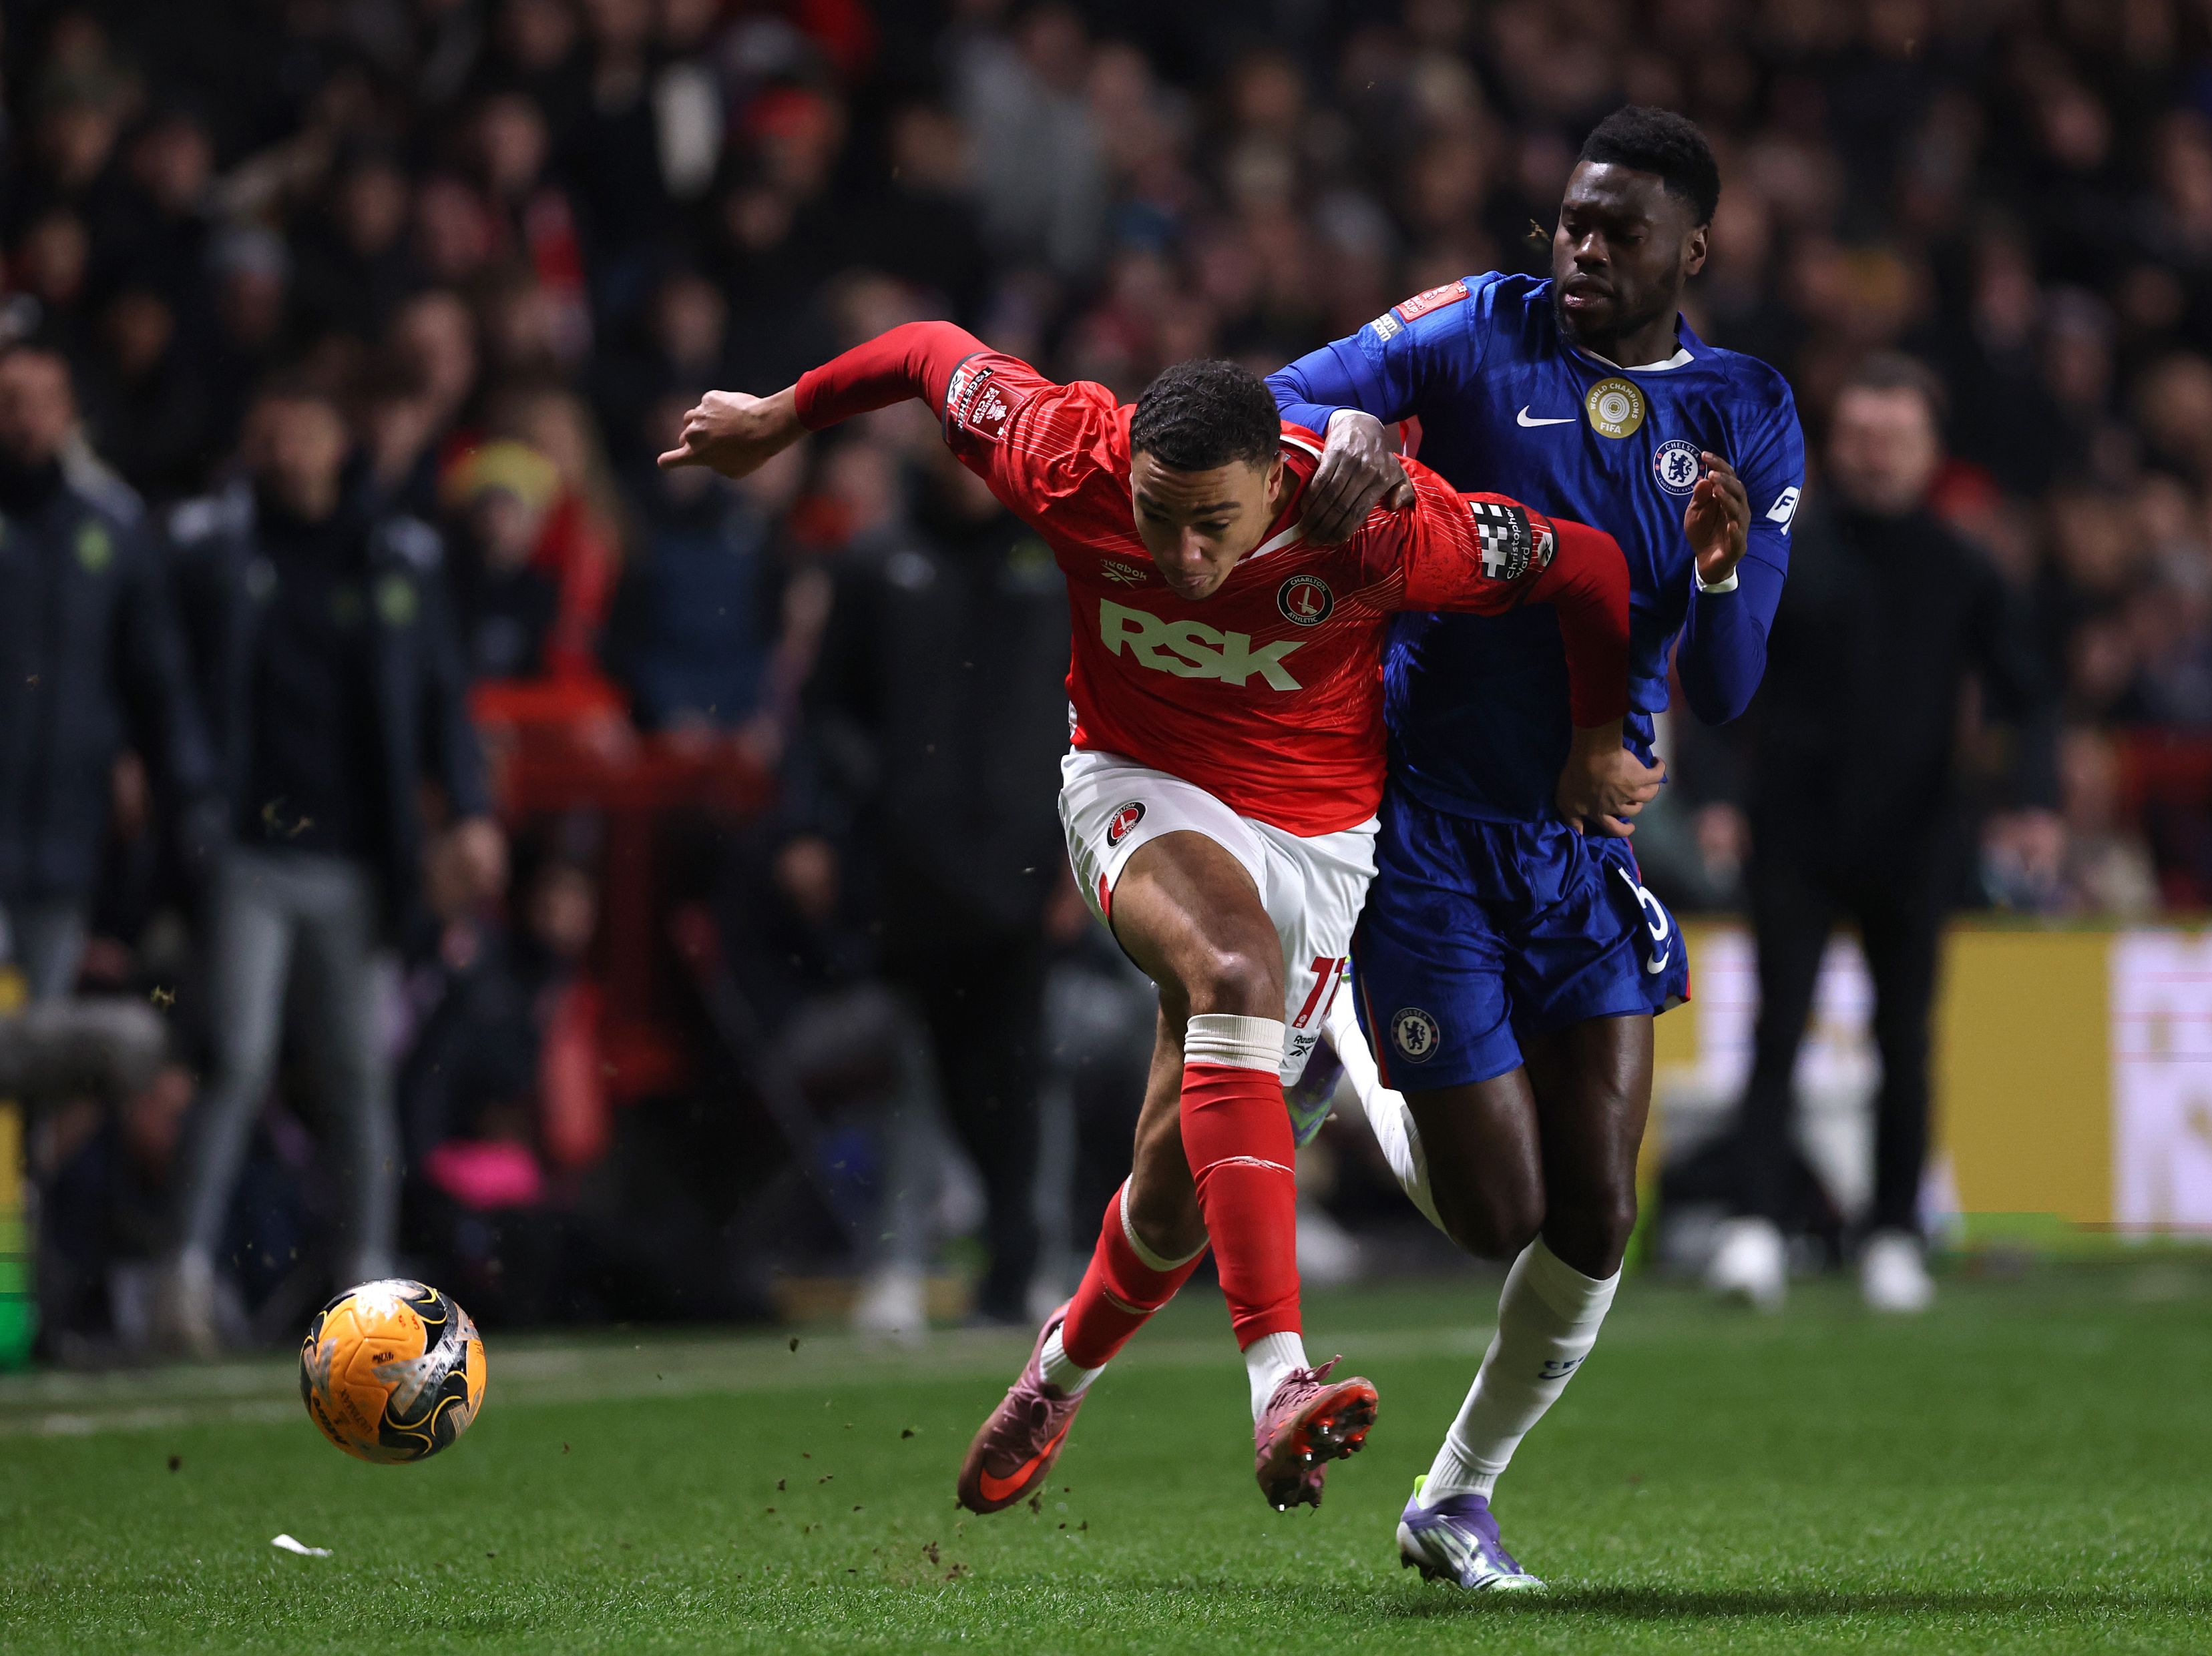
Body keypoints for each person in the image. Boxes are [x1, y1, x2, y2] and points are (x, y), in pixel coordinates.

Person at [658, 322, 1639, 1514]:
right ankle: (1279, 1380)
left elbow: (1584, 566)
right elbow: (926, 353)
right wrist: (779, 413)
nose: (1178, 553)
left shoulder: (1379, 525)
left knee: (1174, 1186)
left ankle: (1057, 1372)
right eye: (1155, 514)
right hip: (1135, 780)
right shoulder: (1068, 455)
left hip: (1318, 839)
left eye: (1210, 525)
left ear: (1276, 482)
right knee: (1234, 968)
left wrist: (1603, 740)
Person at [1266, 105, 1801, 1587]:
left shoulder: (1747, 409)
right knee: (1498, 1211)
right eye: (1570, 220)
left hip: (1580, 836)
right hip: (1427, 819)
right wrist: (1343, 428)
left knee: (1599, 1208)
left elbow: (1737, 682)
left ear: (1692, 250)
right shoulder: (1474, 331)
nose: (1580, 248)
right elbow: (1270, 400)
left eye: (1618, 231)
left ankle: (1456, 1497)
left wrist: (1722, 567)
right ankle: (1341, 1058)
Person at [1701, 353, 2054, 1316]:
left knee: (1907, 1039)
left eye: (1894, 439)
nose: (1874, 457)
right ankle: (1755, 1228)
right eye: (1859, 438)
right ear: (1831, 445)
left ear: (1931, 452)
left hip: (1918, 836)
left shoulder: (1964, 568)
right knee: (1775, 1035)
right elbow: (1716, 680)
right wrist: (1721, 794)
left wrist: (2034, 801)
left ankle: (1895, 1232)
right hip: (1795, 833)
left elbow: (2029, 695)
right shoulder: (1784, 553)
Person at [158, 378, 503, 1354]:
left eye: (304, 426)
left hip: (359, 860)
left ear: (338, 439)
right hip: (249, 852)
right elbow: (180, 690)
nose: (287, 447)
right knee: (235, 1057)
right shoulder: (217, 551)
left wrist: (470, 810)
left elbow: (442, 696)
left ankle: (368, 1285)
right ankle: (179, 1269)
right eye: (270, 429)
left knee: (358, 1074)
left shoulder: (395, 554)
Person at [791, 448, 1076, 1326]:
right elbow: (826, 709)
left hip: (1026, 861)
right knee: (921, 1066)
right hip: (911, 862)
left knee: (1019, 1073)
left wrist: (1088, 852)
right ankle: (905, 1260)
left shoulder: (1058, 562)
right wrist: (820, 823)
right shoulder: (878, 562)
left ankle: (1018, 1264)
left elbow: (1098, 711)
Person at [0, 344, 220, 1002]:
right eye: (10, 401)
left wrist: (181, 779)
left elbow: (155, 672)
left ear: (69, 413)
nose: (25, 418)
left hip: (67, 824)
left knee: (41, 1026)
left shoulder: (113, 526)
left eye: (42, 402)